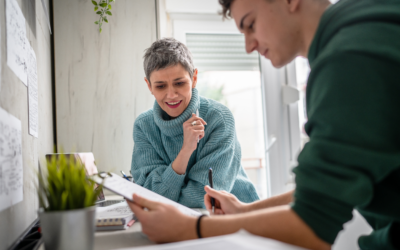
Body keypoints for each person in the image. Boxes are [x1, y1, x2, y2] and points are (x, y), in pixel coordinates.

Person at [127, 0, 400, 249]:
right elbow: (324, 190)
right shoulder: (367, 20)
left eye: (250, 24)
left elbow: (312, 226)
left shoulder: (347, 61)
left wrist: (191, 227)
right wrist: (246, 211)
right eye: (161, 86)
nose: (248, 46)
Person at [131, 38, 259, 208]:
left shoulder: (218, 119)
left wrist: (165, 195)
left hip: (235, 219)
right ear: (149, 86)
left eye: (179, 83)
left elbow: (203, 199)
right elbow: (148, 197)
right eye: (161, 86)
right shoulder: (143, 126)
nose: (171, 95)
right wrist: (186, 151)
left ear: (194, 78)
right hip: (174, 222)